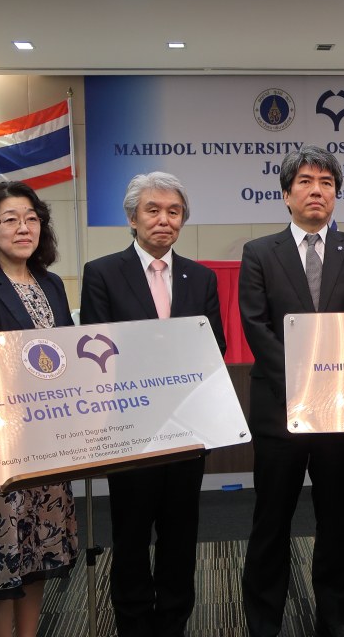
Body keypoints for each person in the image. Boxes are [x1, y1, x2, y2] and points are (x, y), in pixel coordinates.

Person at [239, 145, 344, 637]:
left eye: (326, 182)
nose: (316, 190)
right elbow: (256, 326)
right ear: (286, 195)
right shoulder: (260, 252)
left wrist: (331, 386)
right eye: (305, 181)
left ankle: (333, 618)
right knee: (270, 521)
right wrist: (305, 384)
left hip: (340, 410)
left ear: (337, 194)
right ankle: (264, 621)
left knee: (335, 519)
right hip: (280, 408)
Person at [80, 172, 226, 637]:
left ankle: (173, 622)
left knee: (181, 534)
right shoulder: (102, 272)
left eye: (174, 212)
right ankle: (133, 622)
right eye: (153, 210)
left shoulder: (200, 277)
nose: (164, 220)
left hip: (187, 427)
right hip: (130, 429)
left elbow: (215, 346)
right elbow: (97, 351)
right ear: (132, 218)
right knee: (131, 534)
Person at [0, 181, 79, 636]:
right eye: (10, 219)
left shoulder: (51, 284)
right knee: (0, 552)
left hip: (49, 439)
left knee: (39, 548)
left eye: (31, 218)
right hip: (0, 444)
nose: (23, 228)